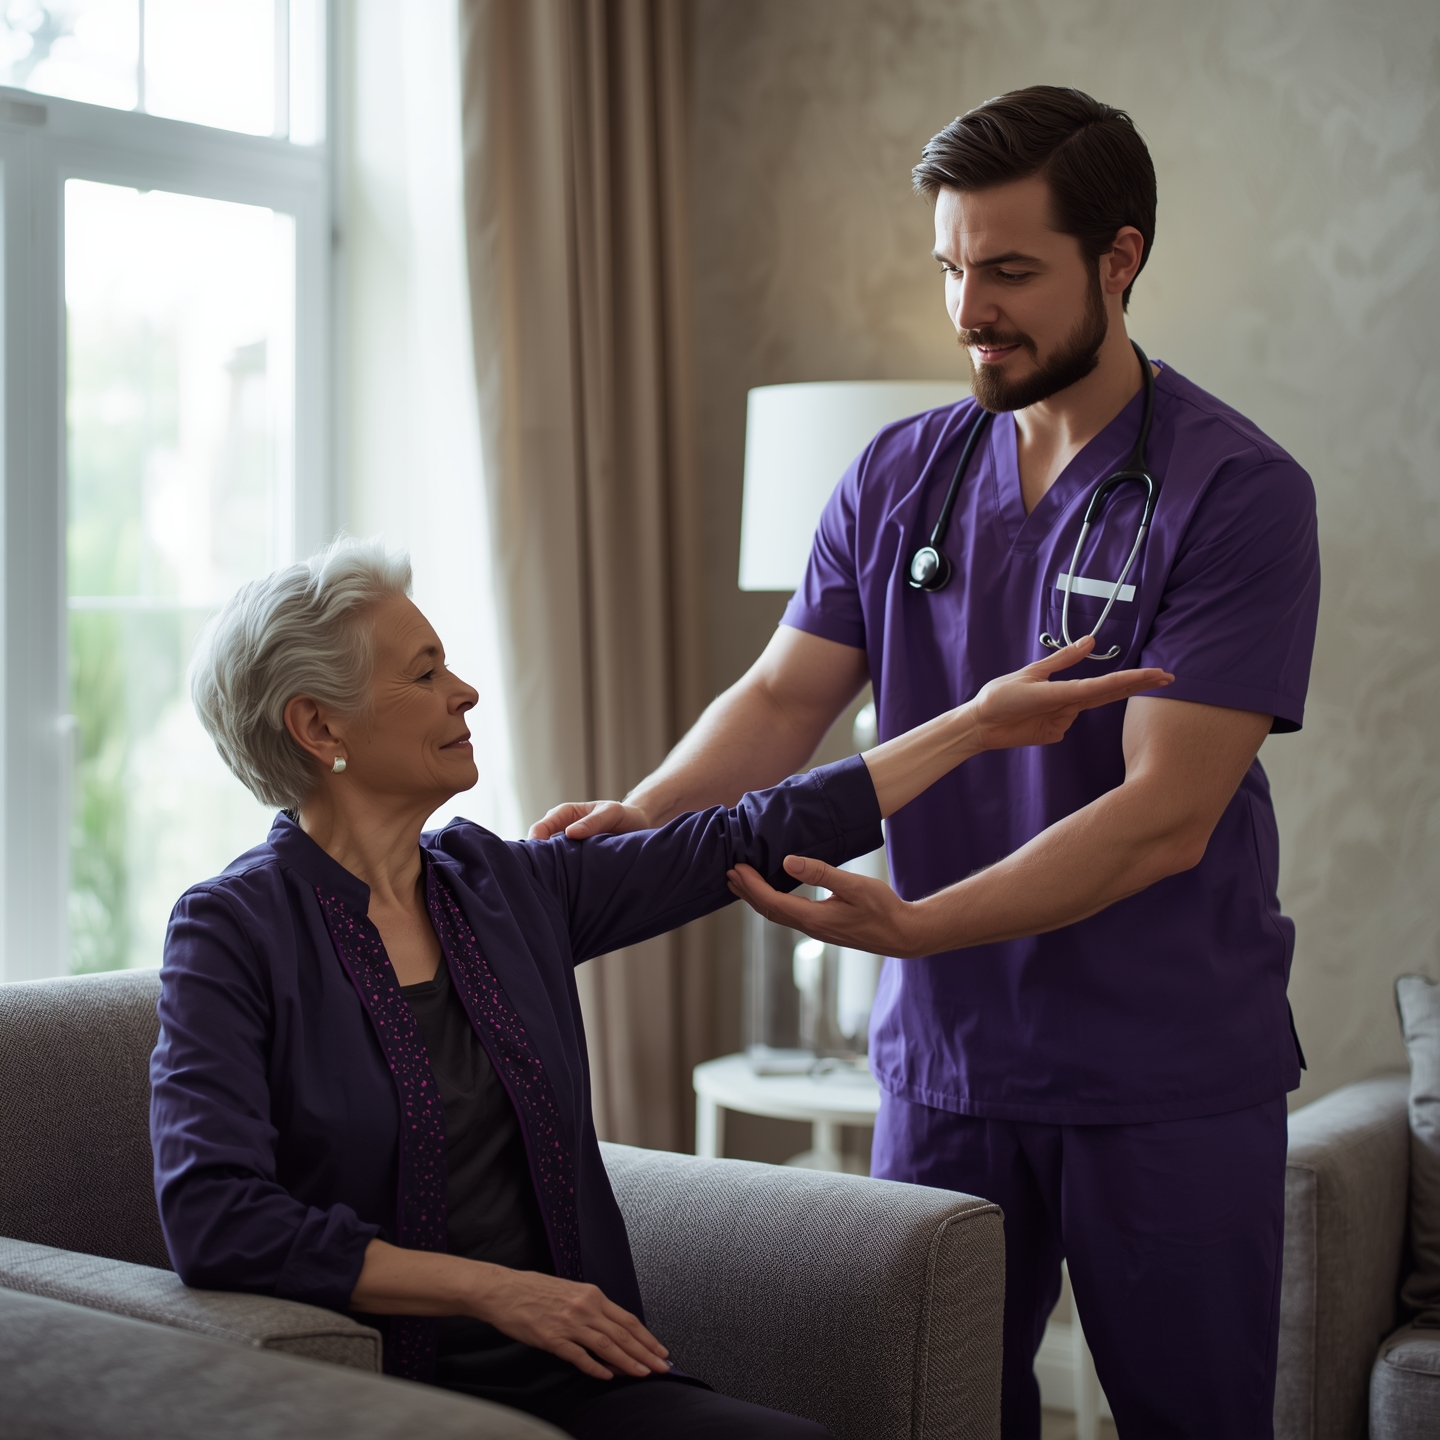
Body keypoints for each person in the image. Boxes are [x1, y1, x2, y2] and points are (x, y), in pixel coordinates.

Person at [530, 87, 1321, 1439]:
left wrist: (916, 924)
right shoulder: (899, 475)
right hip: (949, 1073)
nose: (970, 312)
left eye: (1010, 271)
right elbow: (785, 695)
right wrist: (648, 815)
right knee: (925, 1417)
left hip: (1165, 1075)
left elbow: (1163, 818)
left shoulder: (1233, 492)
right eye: (954, 269)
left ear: (1118, 260)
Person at [150, 538, 1165, 1440]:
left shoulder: (496, 884)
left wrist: (977, 728)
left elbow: (746, 831)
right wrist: (500, 1293)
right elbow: (217, 1219)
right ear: (317, 724)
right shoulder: (233, 932)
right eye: (425, 673)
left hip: (585, 1382)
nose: (465, 692)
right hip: (385, 1395)